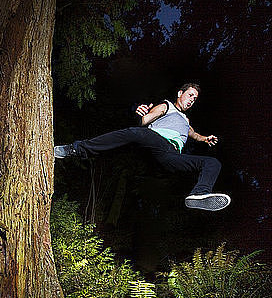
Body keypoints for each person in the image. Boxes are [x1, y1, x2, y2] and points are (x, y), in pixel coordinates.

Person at [54, 83, 231, 211]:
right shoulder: (167, 106)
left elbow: (193, 134)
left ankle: (199, 194)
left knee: (213, 163)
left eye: (195, 98)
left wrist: (205, 139)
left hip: (172, 155)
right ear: (180, 93)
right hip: (156, 140)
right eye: (190, 95)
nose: (192, 100)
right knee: (136, 132)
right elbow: (146, 121)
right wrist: (141, 115)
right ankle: (76, 149)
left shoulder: (186, 121)